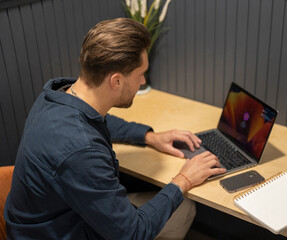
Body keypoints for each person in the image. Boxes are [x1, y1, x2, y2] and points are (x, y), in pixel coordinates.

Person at [4, 18, 226, 239]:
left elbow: (98, 119)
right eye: (140, 74)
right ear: (116, 81)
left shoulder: (56, 96)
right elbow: (132, 233)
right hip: (59, 232)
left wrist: (150, 137)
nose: (143, 80)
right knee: (184, 208)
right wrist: (183, 180)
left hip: (48, 221)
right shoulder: (82, 149)